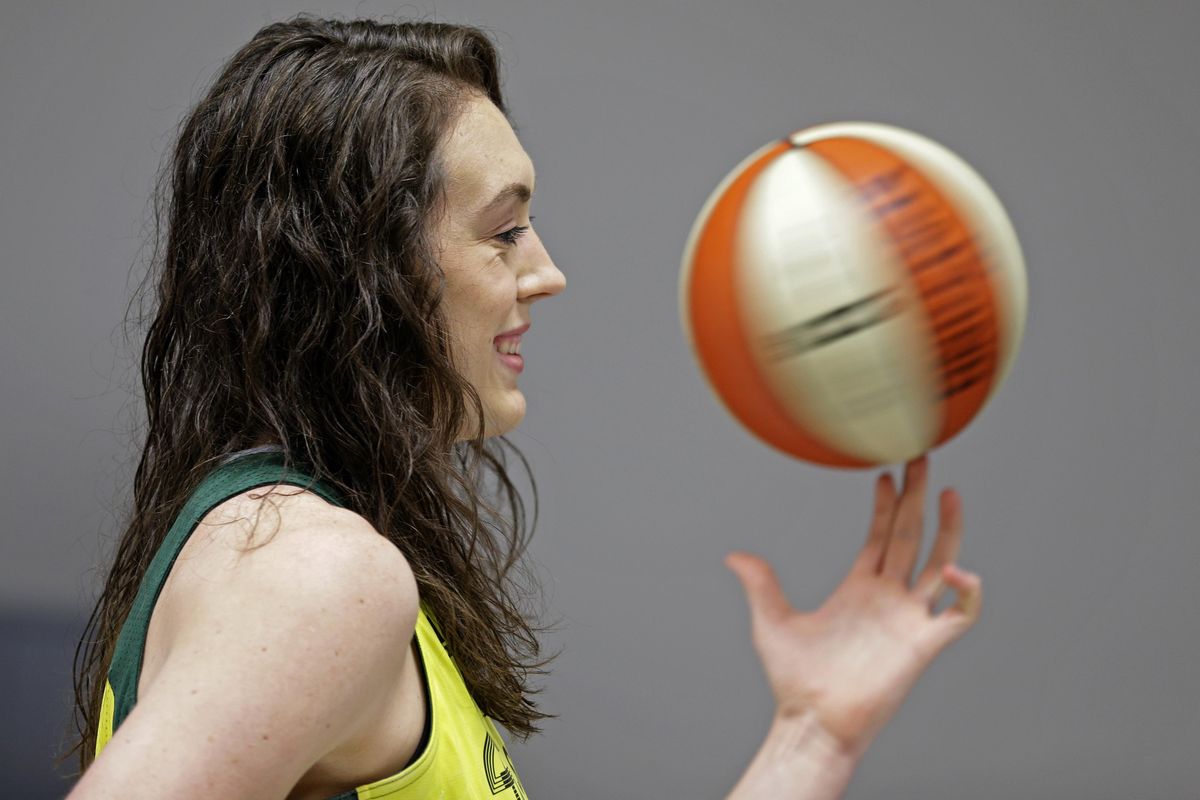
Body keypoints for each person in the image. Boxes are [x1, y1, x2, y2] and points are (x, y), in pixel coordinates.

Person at [67, 14, 982, 800]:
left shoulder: (282, 541)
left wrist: (813, 734)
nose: (547, 273)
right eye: (503, 232)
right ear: (357, 270)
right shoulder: (312, 574)